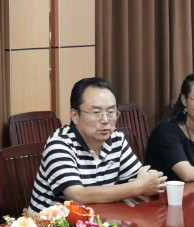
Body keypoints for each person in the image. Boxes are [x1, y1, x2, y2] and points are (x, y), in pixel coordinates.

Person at [29, 77, 165, 210]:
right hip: (50, 223)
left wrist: (146, 182)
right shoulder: (59, 144)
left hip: (98, 220)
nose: (105, 120)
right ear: (75, 115)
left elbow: (141, 179)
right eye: (96, 112)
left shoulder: (116, 139)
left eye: (111, 112)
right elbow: (77, 196)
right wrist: (137, 187)